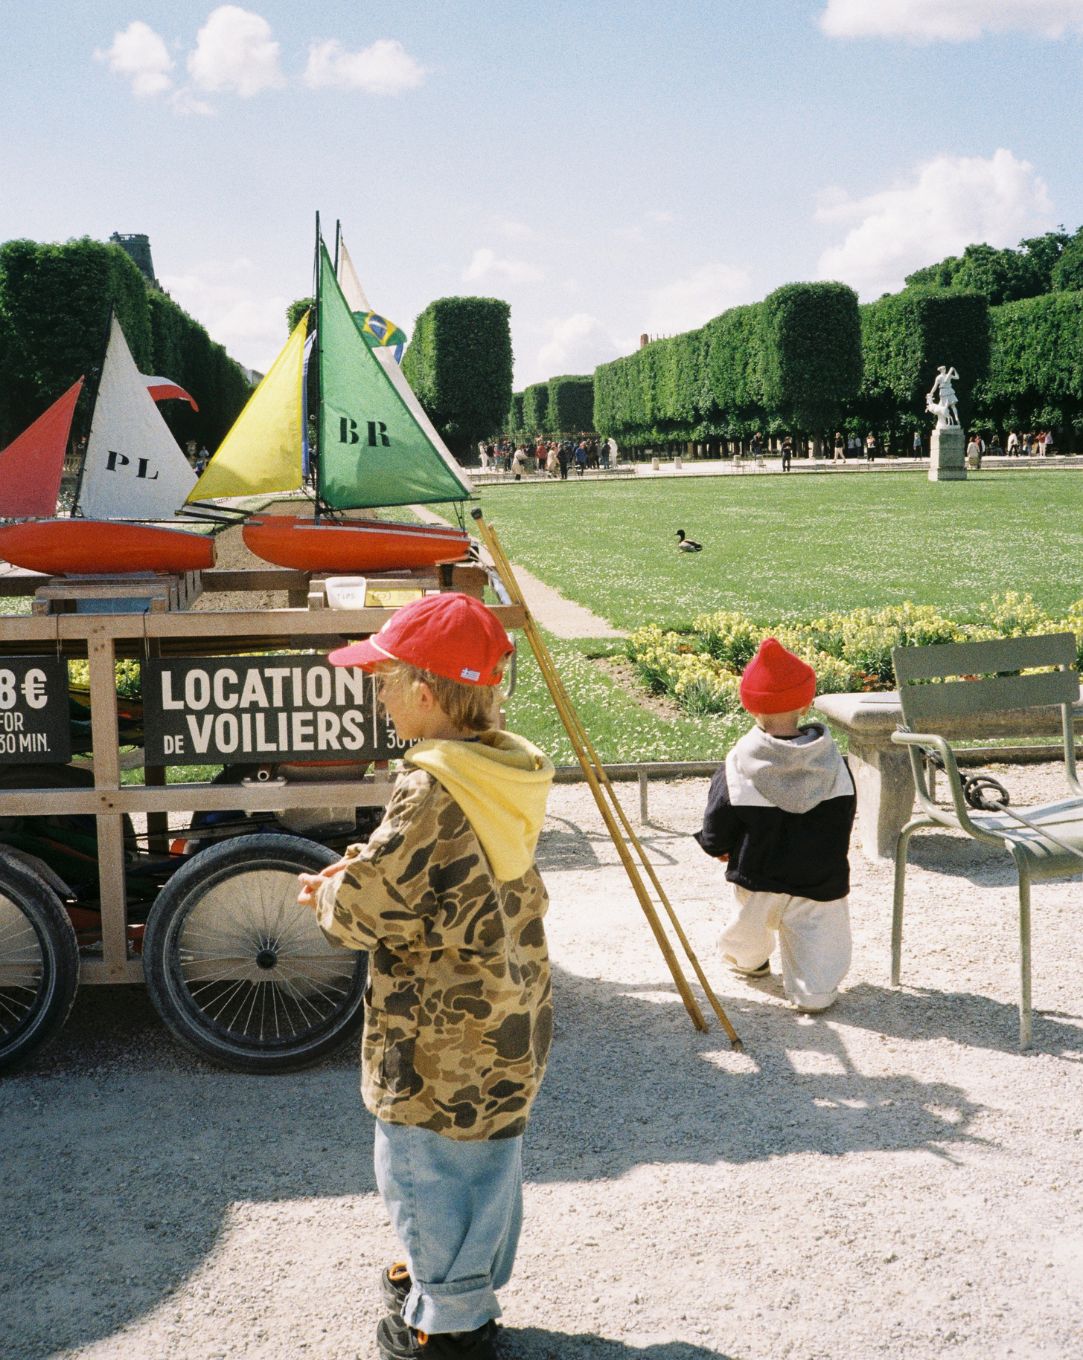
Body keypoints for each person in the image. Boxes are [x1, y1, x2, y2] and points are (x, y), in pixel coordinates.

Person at [297, 594, 555, 1360]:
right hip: (505, 1017)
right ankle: (457, 1282)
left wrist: (331, 889)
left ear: (425, 693)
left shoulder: (429, 786)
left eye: (383, 680)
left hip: (436, 1037)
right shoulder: (499, 767)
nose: (376, 693)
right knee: (485, 1164)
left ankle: (446, 1323)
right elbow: (440, 882)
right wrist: (368, 868)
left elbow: (365, 911)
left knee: (422, 1165)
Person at [694, 638, 855, 1013]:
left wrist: (717, 846)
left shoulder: (739, 761)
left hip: (759, 871)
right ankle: (813, 992)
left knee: (745, 936)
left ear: (750, 705)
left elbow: (718, 816)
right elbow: (845, 814)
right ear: (804, 703)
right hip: (820, 877)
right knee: (819, 957)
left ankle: (748, 962)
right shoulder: (834, 763)